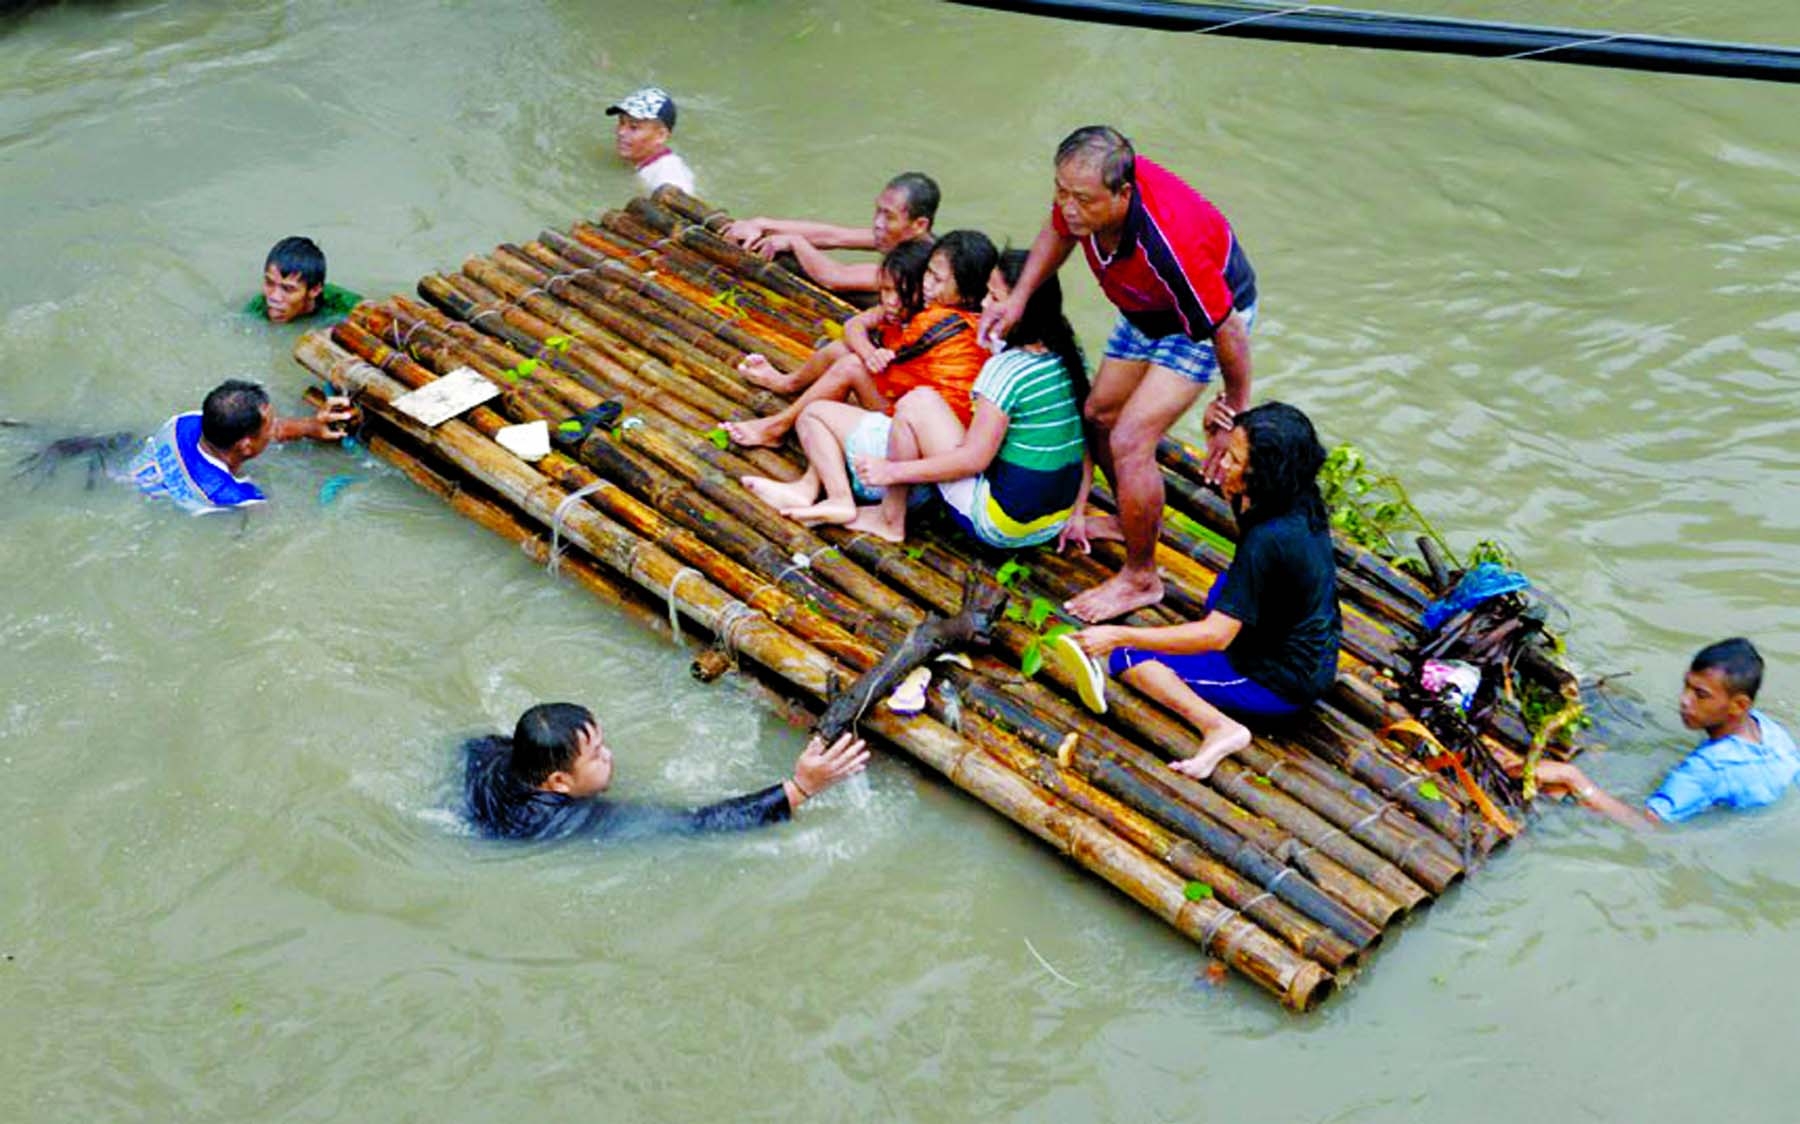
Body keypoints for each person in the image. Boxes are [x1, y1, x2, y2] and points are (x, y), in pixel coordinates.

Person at [982, 126, 1258, 623]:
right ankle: (1136, 519)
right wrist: (1019, 296)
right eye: (1060, 192)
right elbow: (1058, 232)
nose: (1068, 207)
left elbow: (1229, 330)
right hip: (1144, 309)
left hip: (1199, 323)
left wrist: (1236, 411)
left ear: (1122, 195)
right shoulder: (1080, 197)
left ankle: (1141, 578)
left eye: (1081, 200)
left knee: (1133, 439)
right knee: (1099, 413)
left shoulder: (1171, 244)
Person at [1071, 402, 1339, 780]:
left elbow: (1216, 635)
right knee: (1221, 587)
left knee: (1128, 660)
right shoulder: (1295, 494)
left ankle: (1219, 727)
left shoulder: (1268, 540)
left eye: (1233, 458)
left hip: (1278, 680)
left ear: (1263, 471)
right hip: (1308, 640)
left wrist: (1118, 634)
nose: (1223, 464)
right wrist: (1216, 435)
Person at [738, 231, 998, 526]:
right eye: (927, 273)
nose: (927, 284)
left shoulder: (933, 321)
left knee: (824, 399)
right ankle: (806, 479)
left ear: (964, 294)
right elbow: (857, 326)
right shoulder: (969, 320)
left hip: (915, 461)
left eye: (937, 281)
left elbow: (882, 369)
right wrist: (869, 343)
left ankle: (786, 436)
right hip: (932, 447)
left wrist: (866, 350)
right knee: (845, 357)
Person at [846, 248, 1089, 549]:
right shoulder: (1068, 353)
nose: (985, 304)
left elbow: (974, 460)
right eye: (987, 293)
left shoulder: (1006, 370)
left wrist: (891, 471)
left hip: (1000, 525)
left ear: (1024, 310)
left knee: (916, 403)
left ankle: (890, 519)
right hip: (1054, 521)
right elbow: (1083, 440)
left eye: (995, 298)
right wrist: (1077, 512)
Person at [463, 702, 870, 842]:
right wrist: (801, 787)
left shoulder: (497, 756)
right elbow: (696, 824)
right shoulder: (568, 820)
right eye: (597, 755)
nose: (610, 754)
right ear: (559, 783)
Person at [1534, 639, 1797, 828]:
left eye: (1700, 695)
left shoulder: (1705, 769)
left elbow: (1648, 827)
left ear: (1739, 705)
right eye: (1687, 686)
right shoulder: (1771, 731)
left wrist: (1573, 778)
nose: (1684, 700)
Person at [127, 379, 353, 515]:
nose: (275, 428)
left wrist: (310, 427)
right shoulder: (237, 497)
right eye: (270, 425)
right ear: (245, 446)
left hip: (128, 480)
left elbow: (268, 433)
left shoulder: (183, 423)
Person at [723, 171, 939, 296]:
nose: (877, 224)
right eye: (877, 211)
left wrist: (796, 243)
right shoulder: (909, 236)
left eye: (888, 216)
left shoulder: (921, 266)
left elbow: (836, 277)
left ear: (919, 225)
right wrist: (762, 224)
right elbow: (835, 236)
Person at [245, 236, 362, 324]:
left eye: (288, 289)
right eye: (269, 283)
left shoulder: (343, 304)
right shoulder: (256, 310)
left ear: (315, 290)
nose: (274, 297)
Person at [605, 86, 696, 196]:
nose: (621, 132)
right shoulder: (642, 161)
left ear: (660, 136)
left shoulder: (668, 179)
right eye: (621, 123)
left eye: (633, 127)